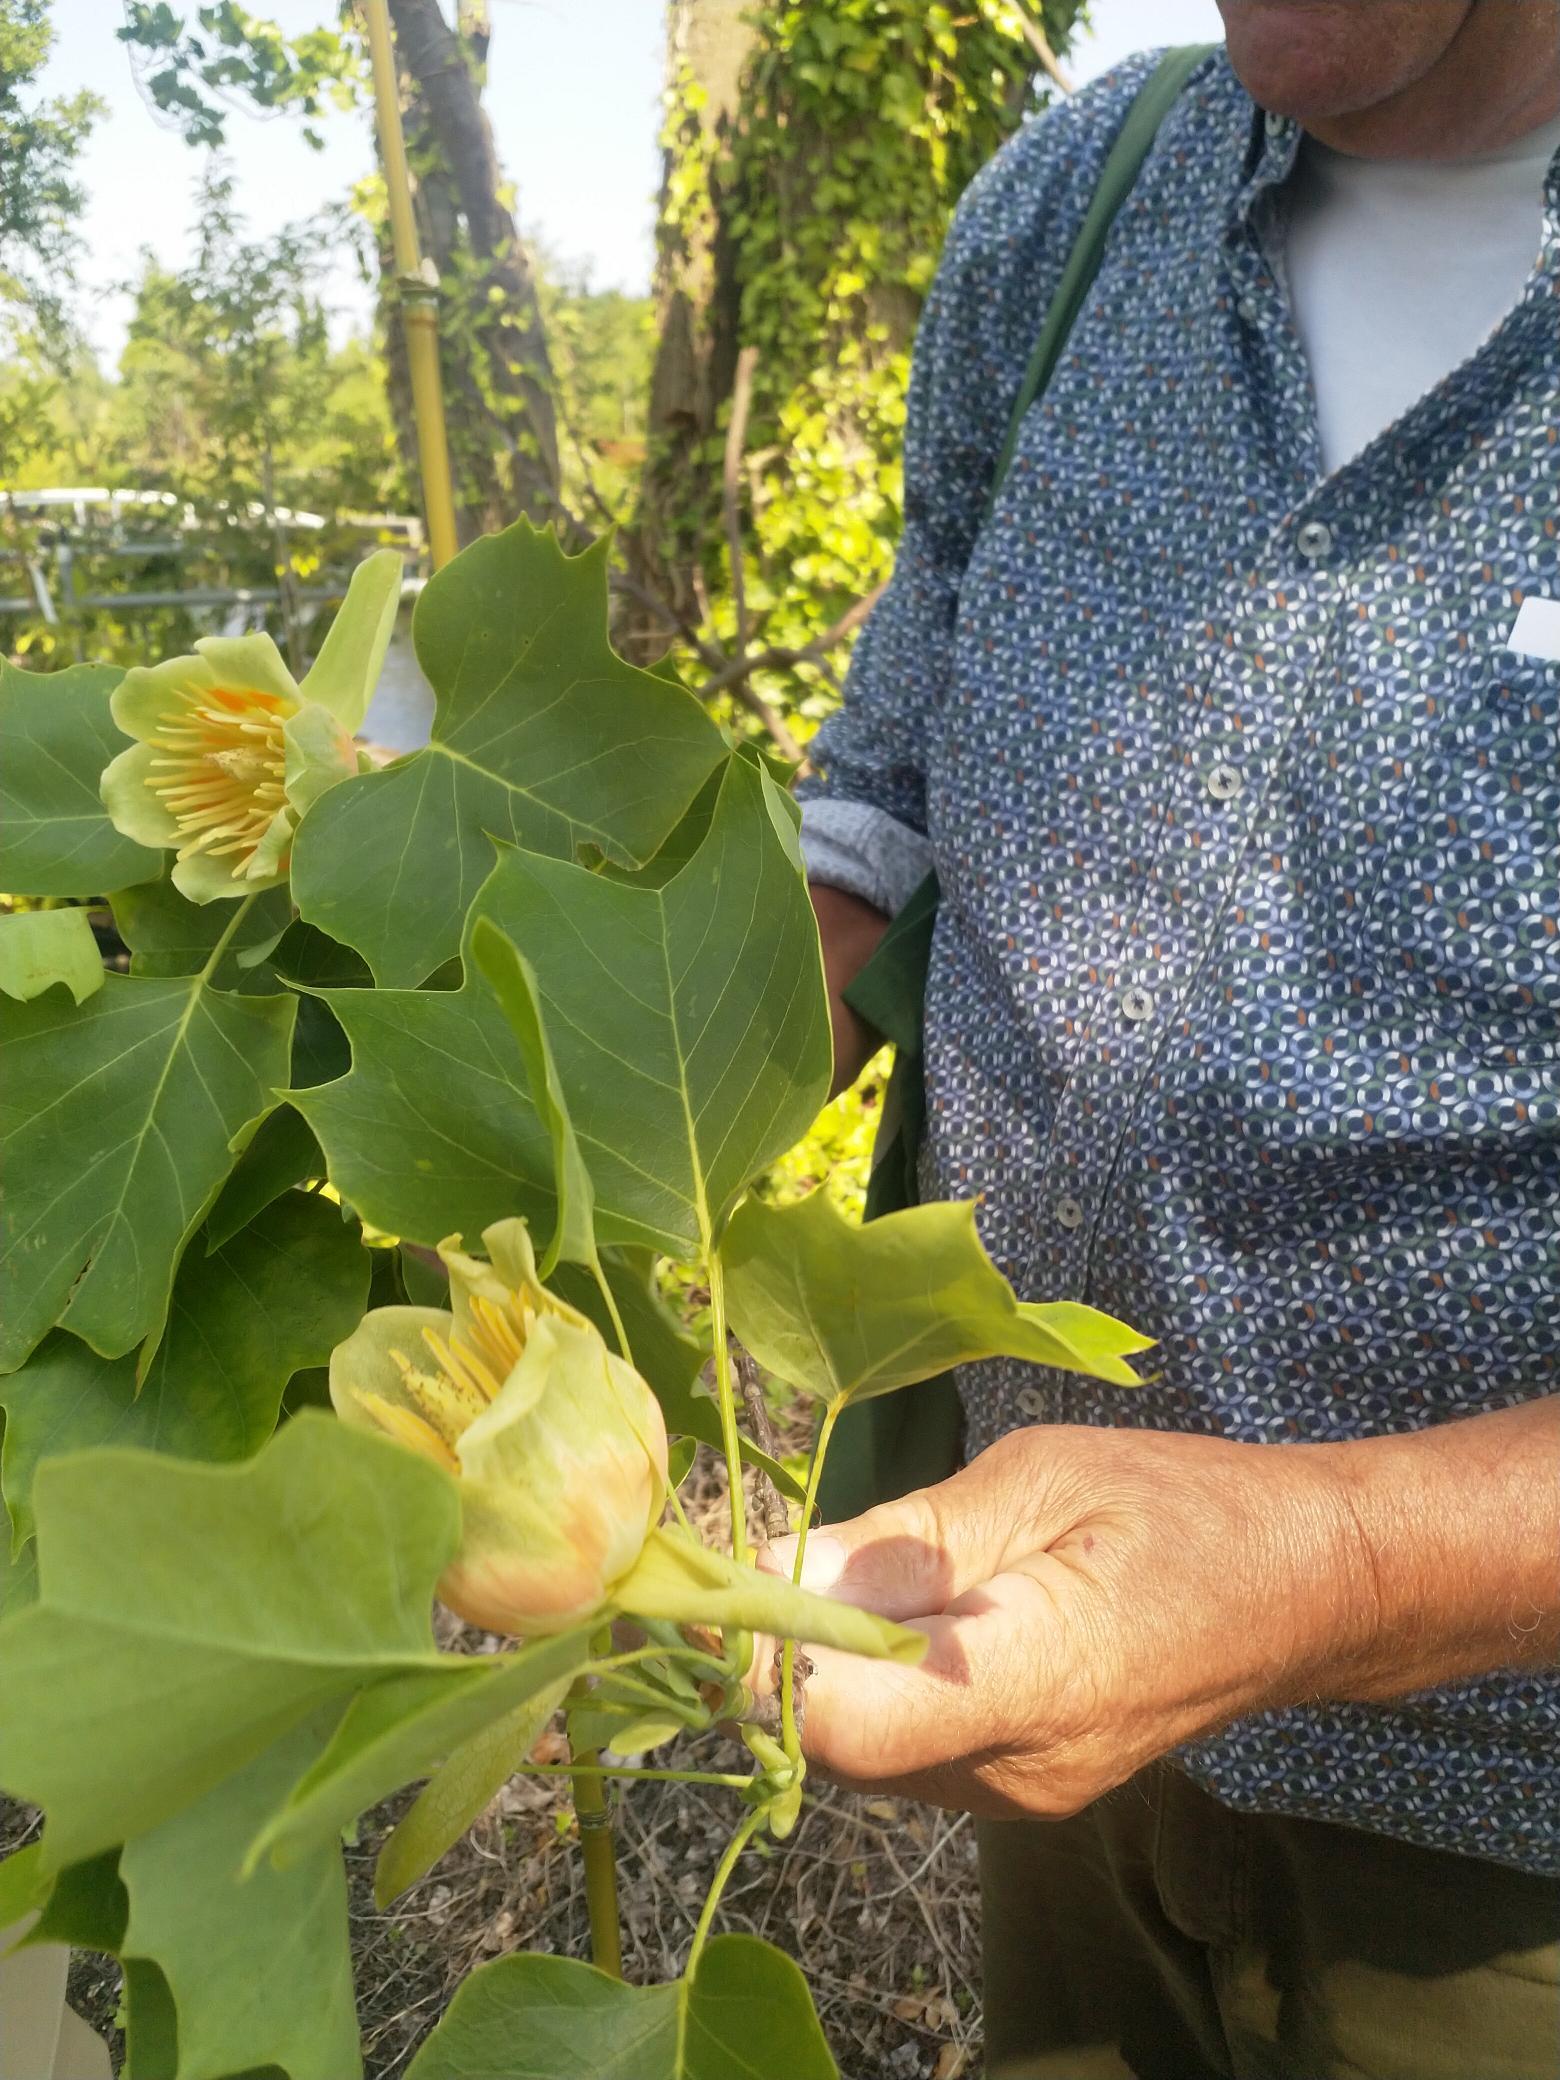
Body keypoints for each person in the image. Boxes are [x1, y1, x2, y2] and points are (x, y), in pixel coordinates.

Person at [773, 4, 1560, 2075]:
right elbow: (877, 824)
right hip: (1055, 1748)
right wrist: (482, 1123)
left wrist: (1327, 1556)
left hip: (1510, 1873)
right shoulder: (1077, 207)